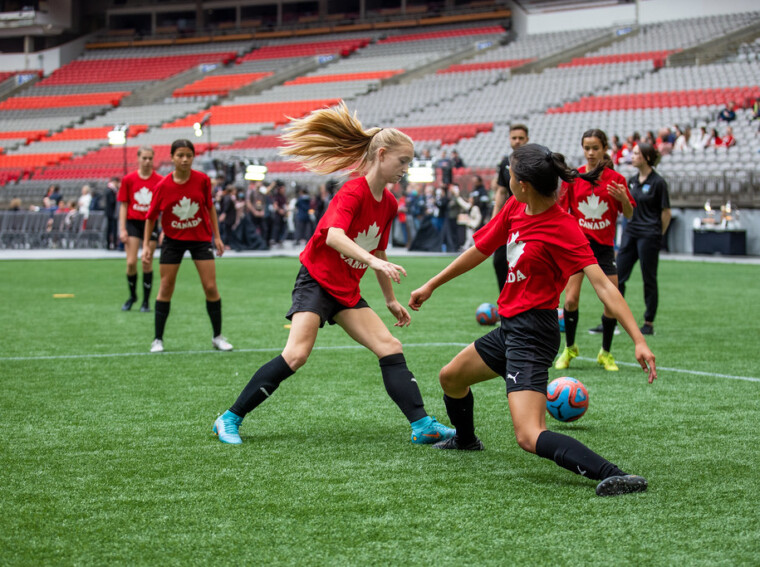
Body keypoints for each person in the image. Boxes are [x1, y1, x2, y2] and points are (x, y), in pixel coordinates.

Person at [408, 143, 657, 497]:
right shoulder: (515, 206)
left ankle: (616, 474)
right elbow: (479, 250)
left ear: (523, 183)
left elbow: (603, 285)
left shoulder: (564, 227)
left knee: (528, 435)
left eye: (509, 175)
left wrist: (638, 339)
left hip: (534, 333)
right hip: (510, 328)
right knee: (450, 378)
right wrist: (431, 285)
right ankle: (466, 441)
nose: (506, 179)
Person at [212, 102, 454, 446]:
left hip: (346, 290)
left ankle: (422, 425)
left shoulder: (389, 203)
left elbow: (379, 251)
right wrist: (373, 263)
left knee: (389, 346)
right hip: (316, 281)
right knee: (296, 355)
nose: (406, 169)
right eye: (403, 161)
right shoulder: (353, 190)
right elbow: (333, 236)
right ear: (382, 155)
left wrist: (390, 299)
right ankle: (229, 418)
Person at [142, 139, 233, 353]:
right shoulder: (162, 186)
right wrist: (147, 246)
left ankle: (217, 337)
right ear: (172, 157)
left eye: (189, 155)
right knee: (166, 287)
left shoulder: (202, 180)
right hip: (172, 241)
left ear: (193, 157)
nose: (184, 159)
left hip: (200, 239)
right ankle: (158, 339)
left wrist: (216, 237)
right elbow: (150, 217)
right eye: (180, 155)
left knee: (210, 287)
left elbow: (210, 208)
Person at [556, 129, 635, 372]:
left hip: (603, 249)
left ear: (604, 150)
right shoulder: (574, 177)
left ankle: (606, 353)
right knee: (570, 299)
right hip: (578, 247)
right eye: (587, 148)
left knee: (611, 303)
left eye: (595, 148)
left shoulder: (617, 180)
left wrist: (623, 199)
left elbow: (630, 214)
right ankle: (569, 348)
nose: (590, 153)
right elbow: (560, 210)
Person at [615, 143, 671, 336]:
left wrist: (657, 234)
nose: (633, 156)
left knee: (649, 278)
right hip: (630, 233)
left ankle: (648, 322)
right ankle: (613, 319)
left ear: (647, 157)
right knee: (618, 276)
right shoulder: (631, 181)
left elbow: (666, 213)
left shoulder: (658, 183)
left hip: (649, 236)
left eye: (637, 153)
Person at [118, 146, 162, 312]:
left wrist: (163, 228)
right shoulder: (128, 180)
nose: (147, 161)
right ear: (138, 159)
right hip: (133, 223)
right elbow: (123, 205)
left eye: (150, 158)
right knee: (130, 263)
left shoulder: (159, 180)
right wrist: (122, 228)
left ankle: (145, 301)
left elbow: (164, 207)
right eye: (144, 158)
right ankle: (132, 295)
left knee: (147, 262)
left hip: (150, 223)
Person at [492, 124, 529, 291]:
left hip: (529, 217)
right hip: (509, 217)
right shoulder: (505, 162)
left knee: (525, 261)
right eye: (514, 138)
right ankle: (504, 299)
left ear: (527, 139)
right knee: (499, 260)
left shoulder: (534, 161)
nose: (517, 141)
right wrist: (494, 219)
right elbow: (501, 191)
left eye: (521, 138)